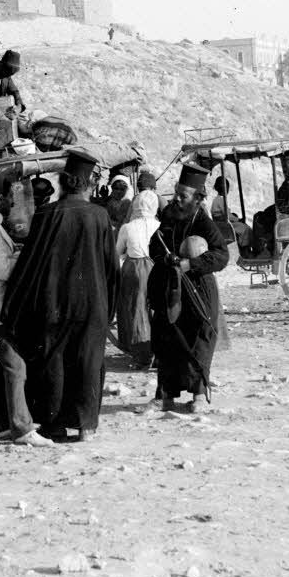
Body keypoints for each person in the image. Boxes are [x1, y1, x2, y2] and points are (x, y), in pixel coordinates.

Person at [2, 148, 117, 442]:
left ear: (63, 183)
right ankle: (86, 426)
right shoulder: (100, 216)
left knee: (52, 361)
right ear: (89, 185)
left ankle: (53, 426)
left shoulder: (46, 214)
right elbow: (110, 267)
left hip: (52, 303)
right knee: (88, 361)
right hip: (92, 303)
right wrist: (109, 307)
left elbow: (31, 263)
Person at [0, 172, 52, 447]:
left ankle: (1, 426)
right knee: (15, 367)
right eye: (9, 197)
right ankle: (22, 429)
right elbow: (4, 270)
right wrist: (25, 254)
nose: (12, 202)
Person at [148, 162, 228, 413]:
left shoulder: (203, 222)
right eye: (176, 194)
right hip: (169, 285)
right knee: (166, 339)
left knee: (199, 340)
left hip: (197, 289)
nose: (177, 199)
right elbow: (154, 245)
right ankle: (165, 396)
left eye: (183, 196)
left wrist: (191, 264)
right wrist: (166, 258)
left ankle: (199, 395)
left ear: (197, 198)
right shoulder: (169, 215)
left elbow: (221, 255)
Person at [114, 189, 160, 369]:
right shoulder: (160, 225)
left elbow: (117, 252)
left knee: (136, 311)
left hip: (134, 270)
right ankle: (159, 353)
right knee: (157, 310)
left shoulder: (127, 227)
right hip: (156, 268)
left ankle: (141, 355)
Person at [209, 175, 252, 253]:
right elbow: (227, 216)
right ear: (225, 189)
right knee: (246, 229)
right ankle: (245, 249)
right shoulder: (221, 200)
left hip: (221, 225)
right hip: (226, 225)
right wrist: (238, 219)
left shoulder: (216, 200)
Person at [0, 50, 24, 117]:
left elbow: (14, 91)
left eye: (10, 74)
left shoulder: (6, 75)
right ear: (1, 64)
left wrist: (19, 106)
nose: (8, 75)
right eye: (7, 72)